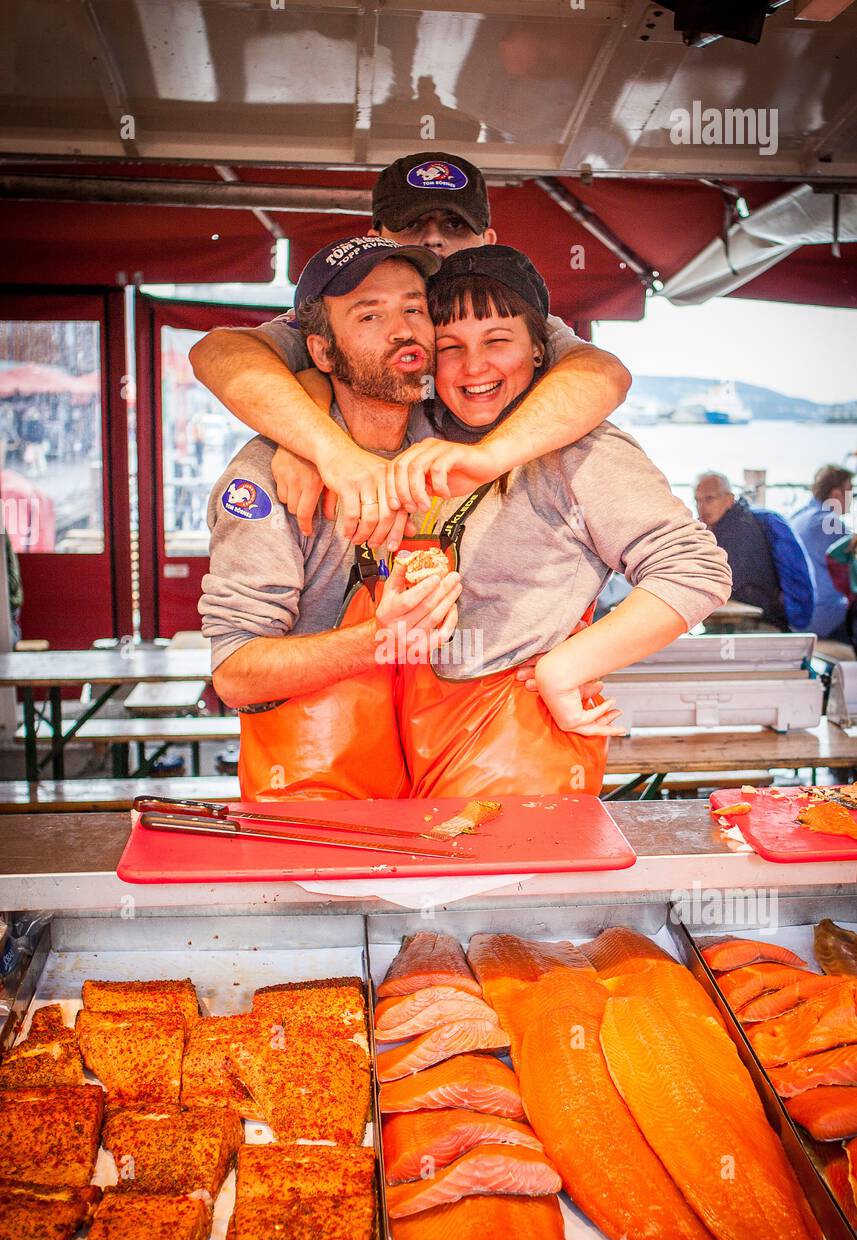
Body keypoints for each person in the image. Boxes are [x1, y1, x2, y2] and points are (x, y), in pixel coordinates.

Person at [388, 247, 733, 797]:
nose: (474, 366)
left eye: (498, 341)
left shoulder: (583, 451)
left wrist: (566, 667)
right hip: (417, 735)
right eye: (450, 348)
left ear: (541, 352)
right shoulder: (419, 432)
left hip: (521, 743)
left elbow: (694, 569)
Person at [189, 151, 631, 546]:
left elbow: (603, 374)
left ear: (487, 241)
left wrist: (487, 459)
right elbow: (218, 352)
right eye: (413, 224)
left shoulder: (507, 314)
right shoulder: (348, 314)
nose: (434, 239)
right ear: (376, 235)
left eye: (455, 225)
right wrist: (322, 447)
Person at [199, 237, 460, 801]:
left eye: (415, 308)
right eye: (370, 315)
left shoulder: (458, 442)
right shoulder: (267, 478)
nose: (404, 330)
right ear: (319, 352)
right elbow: (237, 674)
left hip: (449, 787)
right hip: (318, 800)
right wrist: (382, 640)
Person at [694, 471, 815, 633]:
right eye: (697, 500)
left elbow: (729, 583)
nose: (702, 507)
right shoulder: (714, 530)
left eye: (709, 499)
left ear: (729, 499)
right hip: (740, 623)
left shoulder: (743, 529)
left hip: (759, 625)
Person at [790, 465, 854, 643]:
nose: (853, 498)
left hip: (797, 615)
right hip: (822, 616)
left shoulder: (799, 516)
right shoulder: (828, 524)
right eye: (850, 491)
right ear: (836, 494)